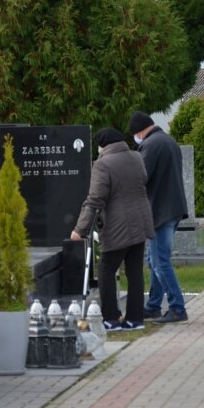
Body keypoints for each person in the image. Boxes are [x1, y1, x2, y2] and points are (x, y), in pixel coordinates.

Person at [71, 127, 154, 331]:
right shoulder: (136, 157)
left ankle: (110, 318)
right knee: (134, 271)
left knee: (106, 269)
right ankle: (135, 319)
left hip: (118, 225)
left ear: (102, 146)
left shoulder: (103, 164)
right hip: (141, 221)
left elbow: (94, 200)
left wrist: (80, 229)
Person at [128, 111, 189, 324]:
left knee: (159, 261)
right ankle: (153, 306)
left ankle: (177, 307)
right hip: (172, 208)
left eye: (135, 135)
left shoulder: (151, 145)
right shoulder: (167, 140)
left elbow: (139, 177)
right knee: (153, 259)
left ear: (139, 131)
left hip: (160, 211)